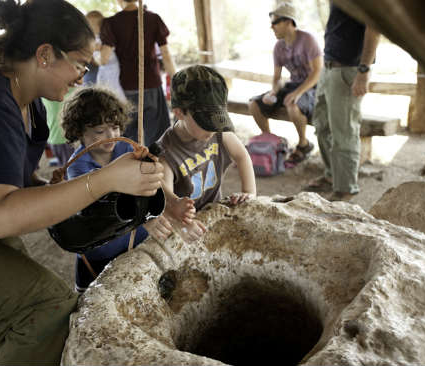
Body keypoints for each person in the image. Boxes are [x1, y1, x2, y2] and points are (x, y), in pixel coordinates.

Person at [0, 0, 164, 365]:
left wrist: (49, 189)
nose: (83, 75)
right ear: (45, 54)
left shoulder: (27, 104)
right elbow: (0, 217)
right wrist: (104, 179)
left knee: (23, 314)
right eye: (79, 62)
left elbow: (9, 184)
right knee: (47, 311)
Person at [61, 87, 173, 292]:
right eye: (99, 131)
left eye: (114, 127)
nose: (111, 136)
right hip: (99, 250)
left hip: (131, 242)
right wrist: (143, 226)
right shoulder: (78, 169)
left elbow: (147, 185)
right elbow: (98, 230)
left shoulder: (126, 149)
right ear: (79, 132)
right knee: (97, 304)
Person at [158, 65, 257, 240]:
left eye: (217, 120)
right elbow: (163, 197)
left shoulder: (218, 131)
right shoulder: (166, 153)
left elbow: (242, 156)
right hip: (185, 223)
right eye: (206, 123)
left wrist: (249, 193)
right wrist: (182, 224)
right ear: (179, 112)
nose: (213, 130)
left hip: (213, 211)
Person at [304, 2, 380, 201]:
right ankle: (332, 176)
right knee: (322, 126)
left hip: (348, 69)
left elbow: (374, 28)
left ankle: (345, 188)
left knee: (344, 131)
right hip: (328, 67)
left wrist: (364, 70)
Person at [248, 2, 322, 165]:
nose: (271, 27)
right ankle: (272, 141)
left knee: (292, 104)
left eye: (275, 23)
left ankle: (303, 145)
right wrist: (273, 92)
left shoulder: (307, 40)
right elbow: (277, 78)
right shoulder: (278, 47)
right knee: (254, 104)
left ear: (289, 22)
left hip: (313, 87)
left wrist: (297, 93)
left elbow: (317, 72)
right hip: (292, 86)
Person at [100, 0, 176, 146]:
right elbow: (165, 53)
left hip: (126, 86)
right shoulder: (153, 19)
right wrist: (175, 79)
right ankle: (155, 165)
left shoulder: (111, 23)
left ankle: (133, 165)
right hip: (151, 83)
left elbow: (104, 58)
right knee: (156, 135)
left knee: (130, 136)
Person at [42, 89, 76, 167]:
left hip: (53, 137)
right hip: (62, 138)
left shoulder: (44, 93)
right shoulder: (60, 92)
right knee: (69, 169)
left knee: (64, 167)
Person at [83, 10, 103, 86]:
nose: (93, 27)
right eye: (90, 25)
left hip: (103, 70)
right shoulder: (85, 39)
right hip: (90, 73)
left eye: (97, 25)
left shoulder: (103, 37)